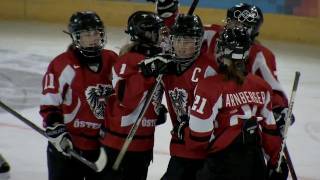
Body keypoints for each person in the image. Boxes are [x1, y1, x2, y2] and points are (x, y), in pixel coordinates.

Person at [187, 26, 288, 180]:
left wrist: (183, 128)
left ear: (221, 50)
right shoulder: (262, 85)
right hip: (255, 164)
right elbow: (270, 132)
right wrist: (277, 163)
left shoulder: (209, 86)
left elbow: (198, 137)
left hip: (222, 165)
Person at [39, 11, 117, 180]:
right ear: (76, 37)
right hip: (68, 145)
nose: (93, 38)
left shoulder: (112, 59)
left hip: (101, 146)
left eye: (96, 33)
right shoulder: (62, 64)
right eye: (87, 34)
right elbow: (49, 104)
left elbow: (123, 96)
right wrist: (55, 128)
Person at [140, 14, 218, 180]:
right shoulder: (166, 66)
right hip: (180, 147)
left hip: (207, 149)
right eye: (179, 40)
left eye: (189, 41)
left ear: (198, 42)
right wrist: (148, 67)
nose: (182, 46)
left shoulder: (209, 68)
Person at [99, 11, 167, 180]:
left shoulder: (157, 60)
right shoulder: (127, 60)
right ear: (147, 34)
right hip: (119, 146)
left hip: (142, 146)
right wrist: (146, 73)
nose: (162, 36)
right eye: (158, 32)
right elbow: (126, 99)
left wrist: (156, 110)